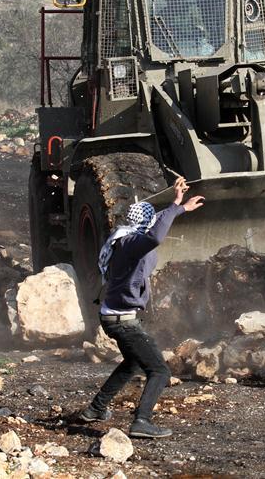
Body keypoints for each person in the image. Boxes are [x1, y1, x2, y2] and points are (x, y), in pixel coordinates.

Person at [79, 177, 205, 438]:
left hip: (111, 315)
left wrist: (179, 203)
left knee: (132, 363)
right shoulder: (133, 245)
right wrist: (176, 207)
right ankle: (141, 422)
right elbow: (156, 235)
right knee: (159, 371)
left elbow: (151, 220)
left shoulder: (123, 236)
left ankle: (95, 409)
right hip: (122, 321)